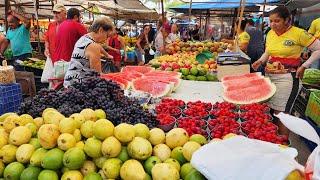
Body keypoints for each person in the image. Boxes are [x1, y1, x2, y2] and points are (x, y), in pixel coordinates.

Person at [252, 6, 320, 135]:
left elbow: (318, 49)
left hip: (288, 79)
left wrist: (305, 65)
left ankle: (283, 144)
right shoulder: (270, 33)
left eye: (277, 21)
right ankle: (272, 141)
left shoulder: (299, 33)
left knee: (281, 114)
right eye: (271, 21)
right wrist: (261, 60)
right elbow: (268, 51)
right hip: (269, 77)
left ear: (287, 20)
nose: (272, 24)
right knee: (268, 111)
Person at [64, 17, 114, 87]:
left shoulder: (84, 38)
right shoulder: (93, 46)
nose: (106, 39)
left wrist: (107, 54)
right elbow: (97, 75)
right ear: (101, 30)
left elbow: (99, 47)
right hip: (79, 88)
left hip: (69, 83)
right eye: (107, 36)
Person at [41, 3, 67, 83]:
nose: (56, 15)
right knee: (54, 82)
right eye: (54, 12)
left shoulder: (68, 25)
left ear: (65, 13)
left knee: (64, 81)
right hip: (53, 58)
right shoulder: (51, 25)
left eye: (58, 12)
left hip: (65, 60)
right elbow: (47, 39)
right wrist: (46, 48)